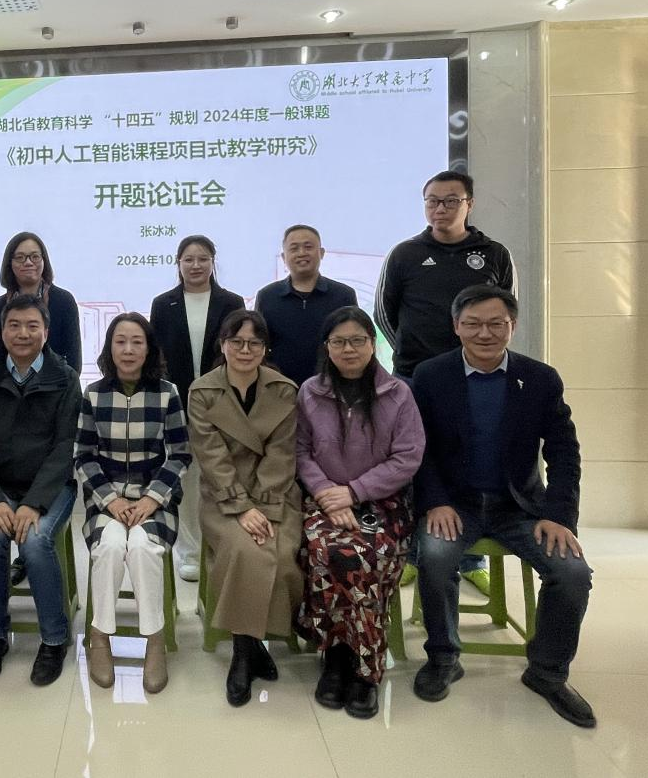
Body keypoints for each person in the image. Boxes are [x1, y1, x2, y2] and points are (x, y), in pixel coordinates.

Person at [411, 285, 595, 728]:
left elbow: (564, 452)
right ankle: (443, 657)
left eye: (496, 323)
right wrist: (435, 501)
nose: (485, 333)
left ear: (513, 325)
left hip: (520, 508)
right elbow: (418, 449)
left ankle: (548, 672)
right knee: (434, 558)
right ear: (456, 326)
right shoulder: (431, 376)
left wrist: (558, 515)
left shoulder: (540, 379)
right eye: (473, 323)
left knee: (572, 573)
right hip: (456, 506)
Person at [375, 171, 515, 591]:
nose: (440, 209)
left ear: (469, 204)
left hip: (474, 377)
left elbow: (506, 313)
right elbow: (383, 313)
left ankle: (470, 557)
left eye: (450, 201)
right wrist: (414, 357)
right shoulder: (405, 254)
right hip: (414, 377)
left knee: (468, 460)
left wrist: (473, 356)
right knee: (411, 463)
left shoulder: (493, 254)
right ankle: (413, 553)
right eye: (432, 201)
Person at [295, 306, 424, 719]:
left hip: (383, 502)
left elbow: (407, 457)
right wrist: (326, 493)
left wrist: (353, 492)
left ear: (372, 344)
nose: (348, 349)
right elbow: (300, 452)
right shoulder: (310, 392)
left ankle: (366, 670)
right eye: (339, 342)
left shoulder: (398, 394)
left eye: (357, 340)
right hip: (324, 499)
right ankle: (336, 657)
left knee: (366, 555)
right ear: (327, 347)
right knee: (326, 550)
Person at [0, 294, 81, 687]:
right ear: (1, 331)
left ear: (46, 332)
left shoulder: (65, 379)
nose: (23, 333)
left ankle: (54, 639)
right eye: (14, 325)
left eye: (32, 326)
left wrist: (33, 503)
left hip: (49, 489)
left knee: (35, 543)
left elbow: (65, 447)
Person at [187, 309, 302, 707]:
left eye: (254, 343)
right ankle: (244, 651)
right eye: (236, 341)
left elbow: (282, 455)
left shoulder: (284, 390)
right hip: (224, 498)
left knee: (283, 556)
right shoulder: (203, 391)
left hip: (275, 495)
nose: (245, 350)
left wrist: (264, 508)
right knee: (244, 549)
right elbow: (212, 458)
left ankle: (251, 646)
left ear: (265, 348)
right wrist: (241, 507)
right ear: (222, 345)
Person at [75, 313, 191, 694]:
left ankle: (154, 640)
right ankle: (100, 636)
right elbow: (84, 456)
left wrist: (152, 499)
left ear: (149, 348)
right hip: (106, 501)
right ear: (110, 348)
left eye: (136, 342)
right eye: (120, 341)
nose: (128, 350)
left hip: (154, 501)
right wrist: (110, 501)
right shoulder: (93, 394)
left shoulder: (167, 393)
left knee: (142, 547)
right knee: (110, 546)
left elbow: (180, 454)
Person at [149, 234, 243, 583]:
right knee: (186, 479)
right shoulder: (163, 304)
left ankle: (216, 545)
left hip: (221, 403)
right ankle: (188, 550)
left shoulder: (232, 302)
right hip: (176, 403)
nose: (196, 265)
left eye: (203, 258)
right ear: (178, 263)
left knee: (218, 475)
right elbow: (156, 356)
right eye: (188, 259)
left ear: (213, 262)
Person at [254, 224, 358, 386]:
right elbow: (259, 344)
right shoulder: (267, 296)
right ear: (284, 257)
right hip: (279, 388)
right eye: (294, 248)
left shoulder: (343, 295)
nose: (301, 253)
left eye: (308, 247)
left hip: (332, 387)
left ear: (321, 253)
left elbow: (354, 342)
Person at [0, 231, 82, 373]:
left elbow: (74, 361)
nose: (28, 262)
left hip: (57, 384)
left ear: (44, 261)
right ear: (10, 263)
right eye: (20, 257)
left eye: (35, 257)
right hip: (6, 385)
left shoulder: (64, 301)